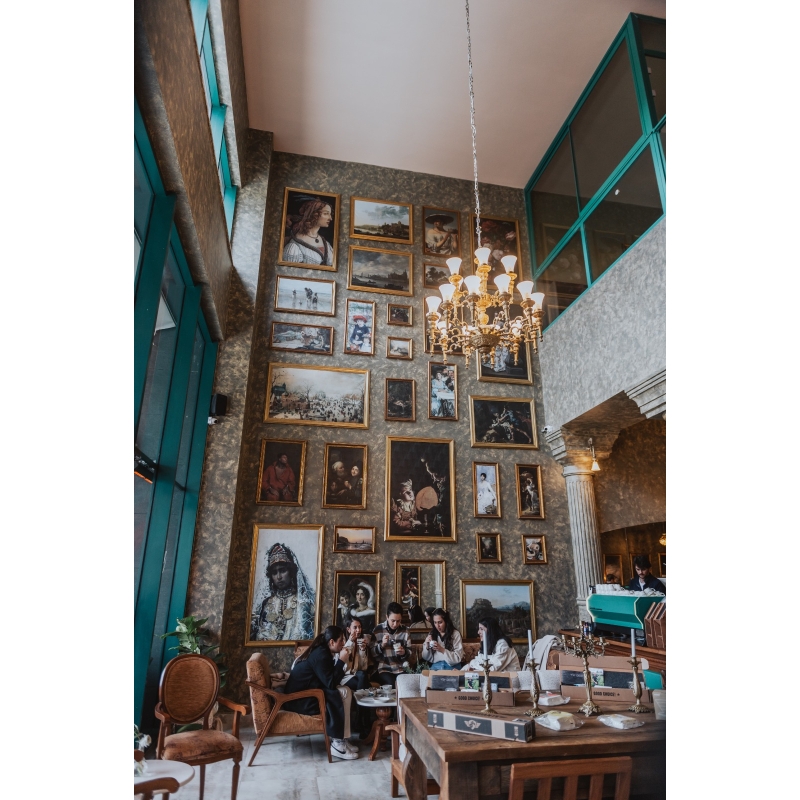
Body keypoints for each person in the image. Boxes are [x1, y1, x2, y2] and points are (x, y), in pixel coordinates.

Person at [283, 626, 359, 760]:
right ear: (331, 642)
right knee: (343, 693)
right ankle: (338, 744)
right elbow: (331, 683)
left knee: (345, 691)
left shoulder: (324, 651)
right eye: (341, 640)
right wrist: (341, 661)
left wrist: (341, 662)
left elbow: (329, 680)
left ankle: (342, 739)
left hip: (308, 693)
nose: (343, 643)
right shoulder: (321, 655)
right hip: (299, 700)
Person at [250, 543, 315, 642]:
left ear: (291, 572)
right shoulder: (265, 604)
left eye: (282, 570)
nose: (279, 577)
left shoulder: (303, 603)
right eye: (274, 572)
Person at [282, 196, 335, 266]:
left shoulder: (326, 243)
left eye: (330, 214)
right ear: (314, 215)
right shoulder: (295, 246)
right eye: (326, 213)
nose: (330, 218)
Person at [371, 602, 411, 688]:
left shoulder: (405, 631)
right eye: (393, 621)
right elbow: (372, 653)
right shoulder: (378, 630)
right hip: (383, 668)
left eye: (398, 621)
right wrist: (382, 645)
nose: (395, 624)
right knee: (390, 683)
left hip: (400, 667)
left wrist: (404, 652)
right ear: (387, 617)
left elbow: (410, 652)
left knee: (405, 684)